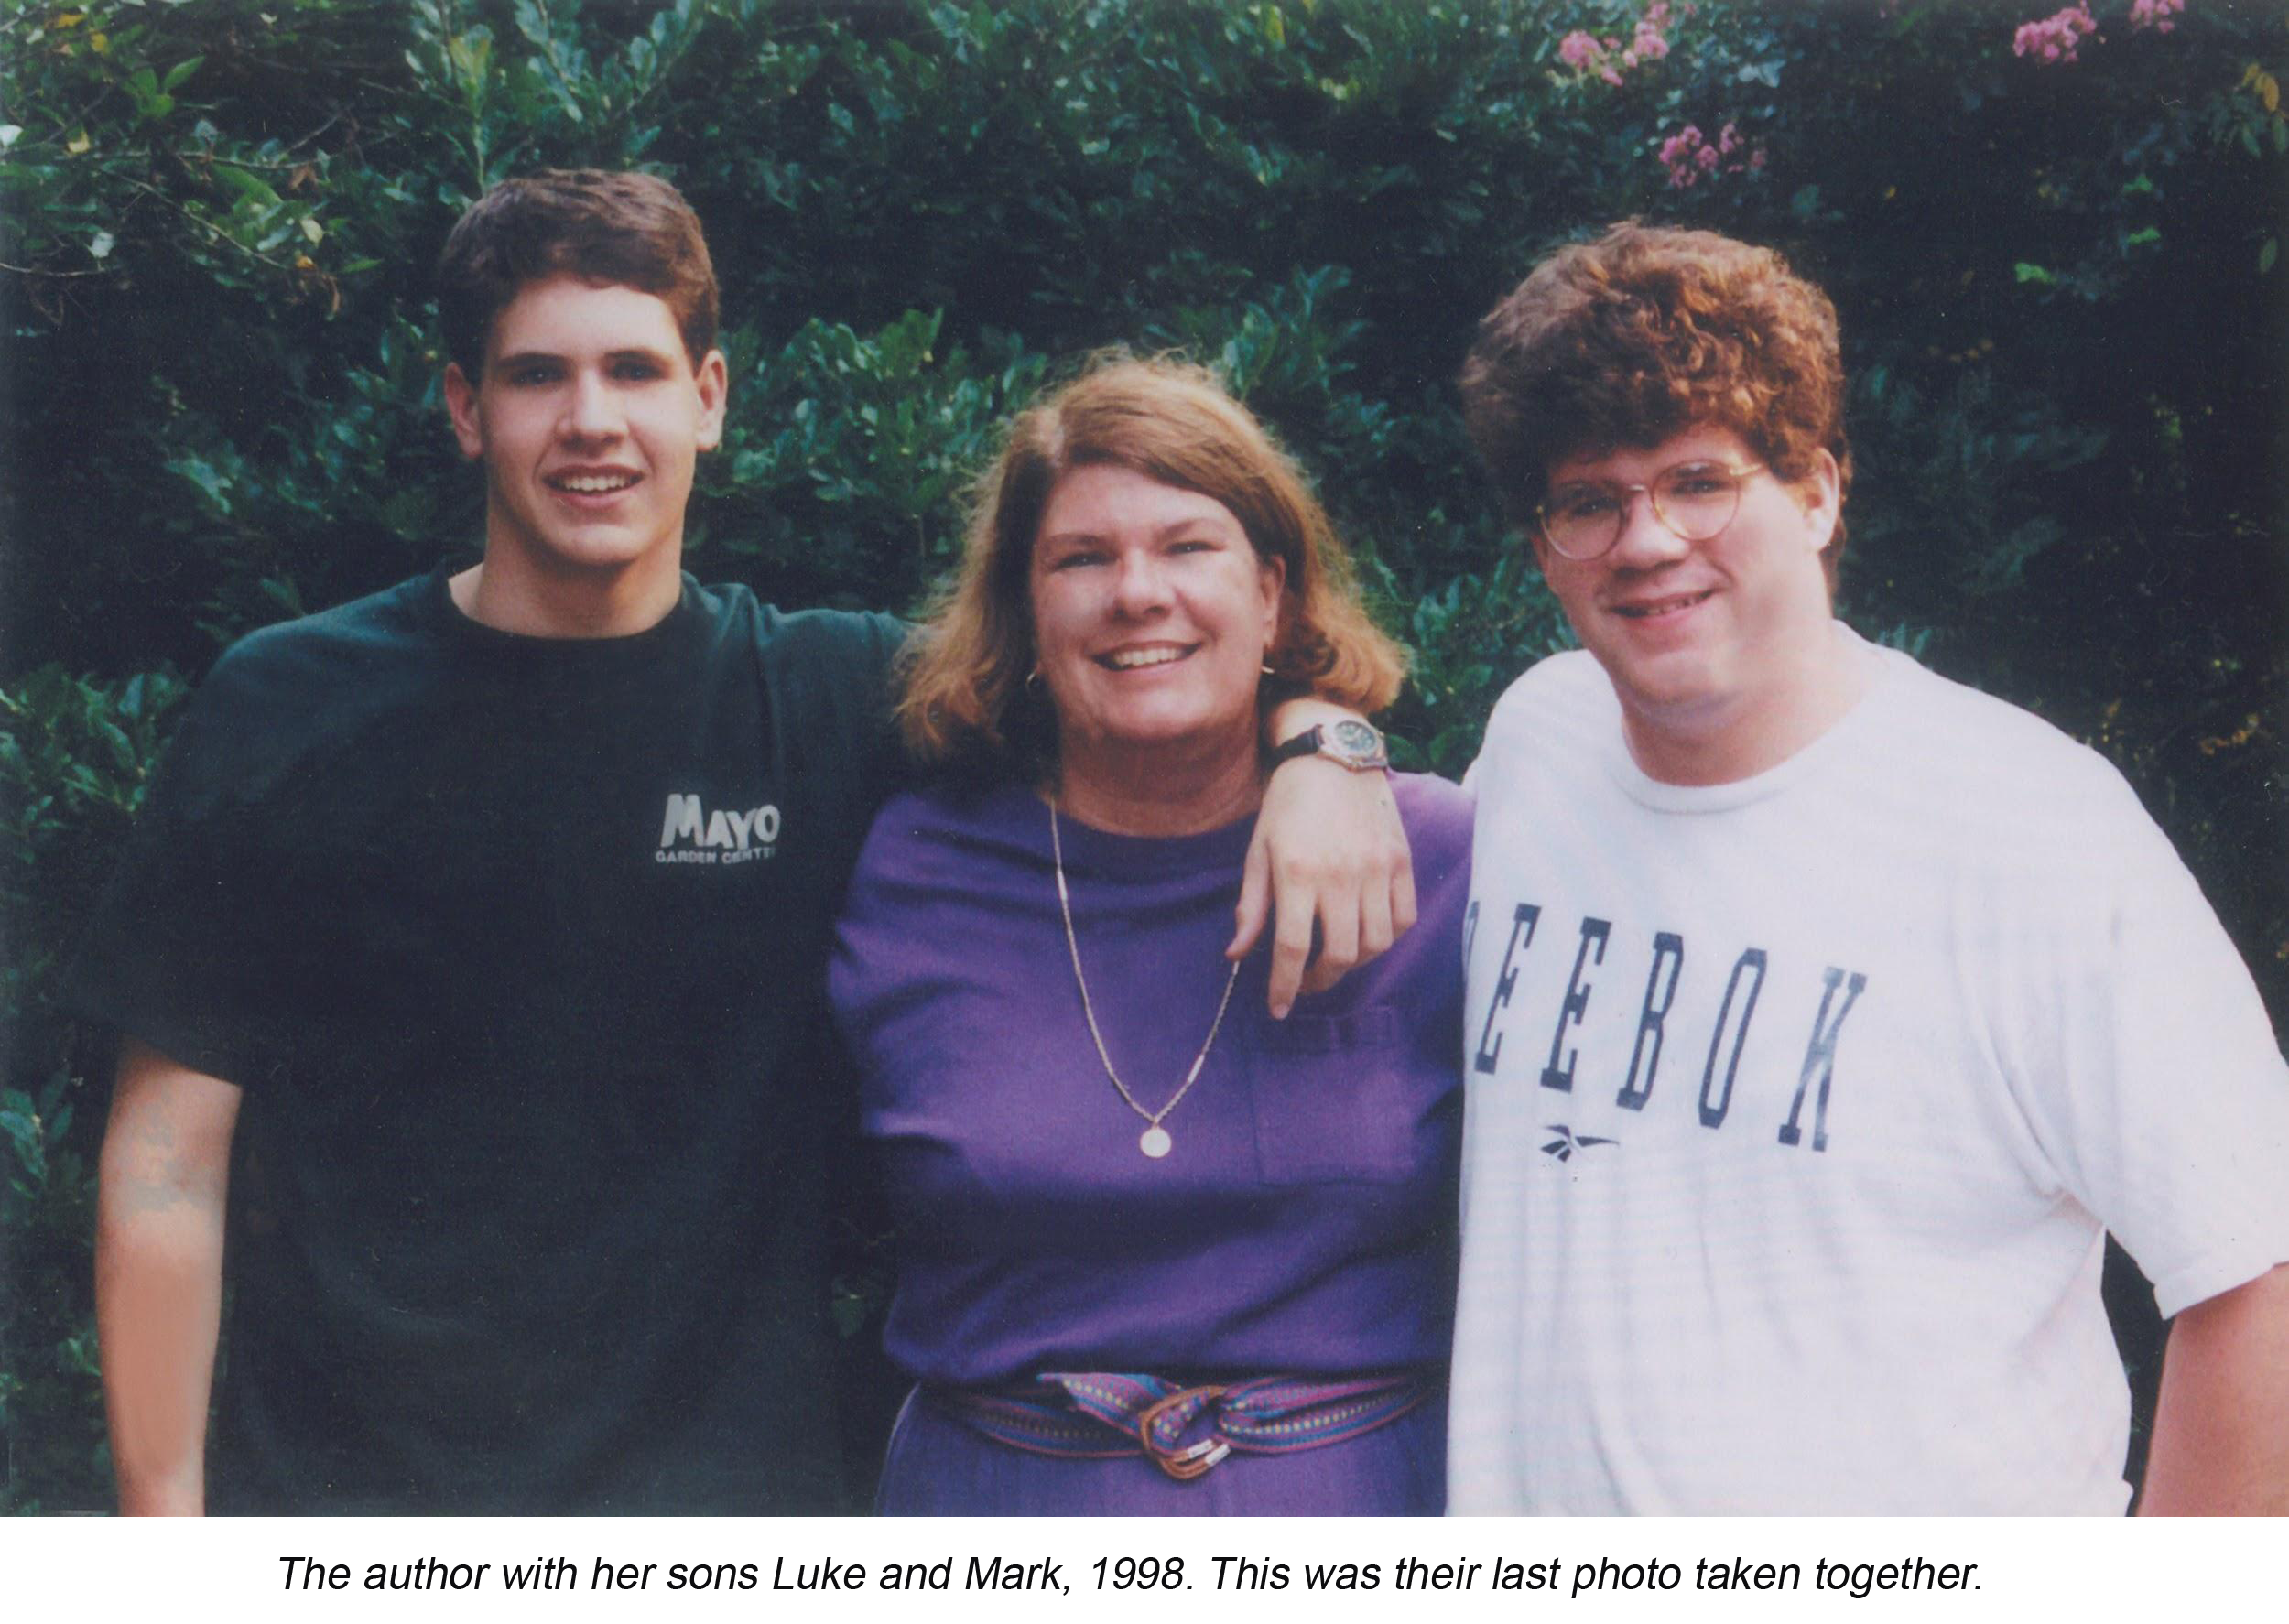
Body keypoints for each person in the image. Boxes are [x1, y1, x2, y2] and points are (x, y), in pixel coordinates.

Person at [73, 171, 1414, 1515]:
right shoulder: (291, 704)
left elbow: (1138, 665)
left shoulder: (835, 703)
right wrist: (163, 1546)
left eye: (635, 370)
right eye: (539, 374)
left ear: (707, 398)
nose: (592, 421)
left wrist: (1324, 743)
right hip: (345, 1514)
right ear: (466, 408)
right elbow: (166, 1163)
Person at [1447, 222, 2289, 1515]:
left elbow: (2260, 1264)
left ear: (1821, 492)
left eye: (1699, 480)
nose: (1647, 539)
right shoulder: (1535, 742)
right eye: (1588, 501)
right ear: (1545, 541)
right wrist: (1317, 745)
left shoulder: (2028, 826)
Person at [829, 357, 1473, 1515]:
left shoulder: (1439, 857)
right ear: (1025, 612)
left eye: (1188, 546)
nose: (1137, 592)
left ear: (1272, 593)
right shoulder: (910, 862)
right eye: (1083, 557)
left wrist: (1337, 743)